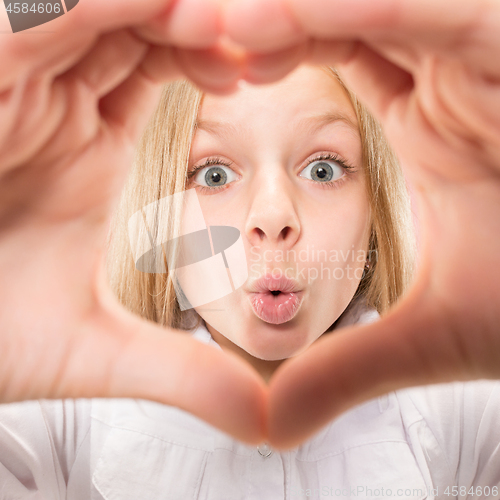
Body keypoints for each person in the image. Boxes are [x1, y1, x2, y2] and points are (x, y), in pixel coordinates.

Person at [1, 0, 500, 463]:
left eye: (323, 169)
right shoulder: (63, 408)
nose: (273, 216)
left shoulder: (463, 403)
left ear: (376, 211)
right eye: (214, 174)